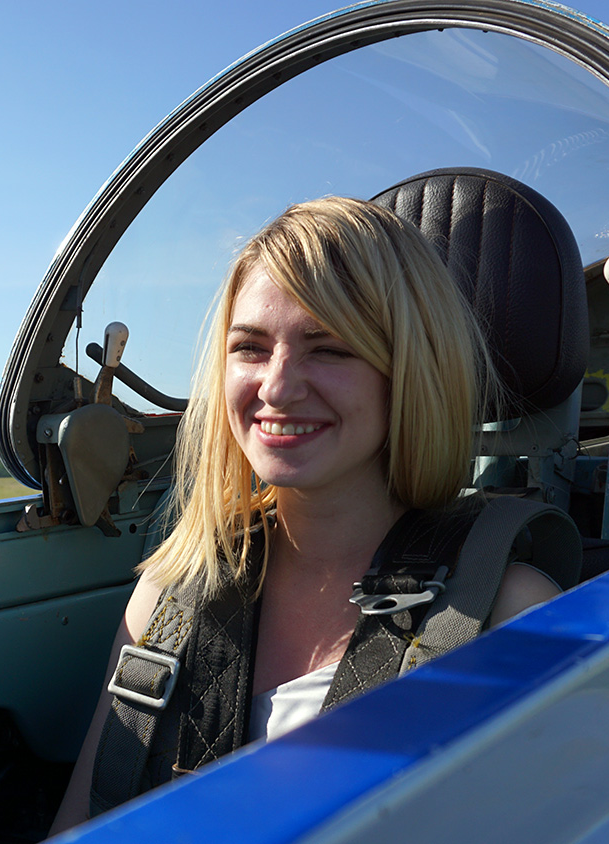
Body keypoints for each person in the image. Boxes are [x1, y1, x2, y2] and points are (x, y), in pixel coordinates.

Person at [50, 196, 564, 833]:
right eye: (250, 347)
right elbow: (84, 823)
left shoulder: (507, 619)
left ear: (410, 370)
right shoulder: (169, 596)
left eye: (330, 349)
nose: (276, 386)